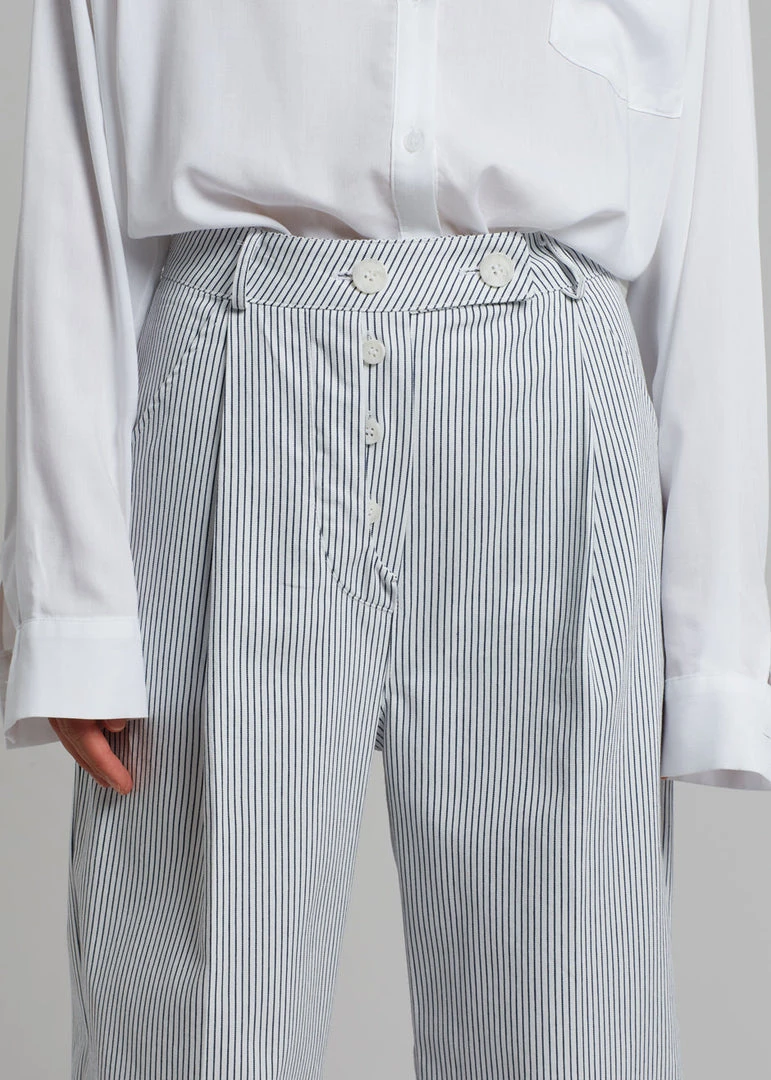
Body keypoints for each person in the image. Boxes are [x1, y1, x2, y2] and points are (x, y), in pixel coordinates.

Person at [2, 0, 770, 1075]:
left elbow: (704, 185)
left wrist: (717, 644)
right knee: (196, 1034)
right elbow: (79, 142)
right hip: (236, 365)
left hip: (547, 394)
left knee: (569, 1030)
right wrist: (69, 598)